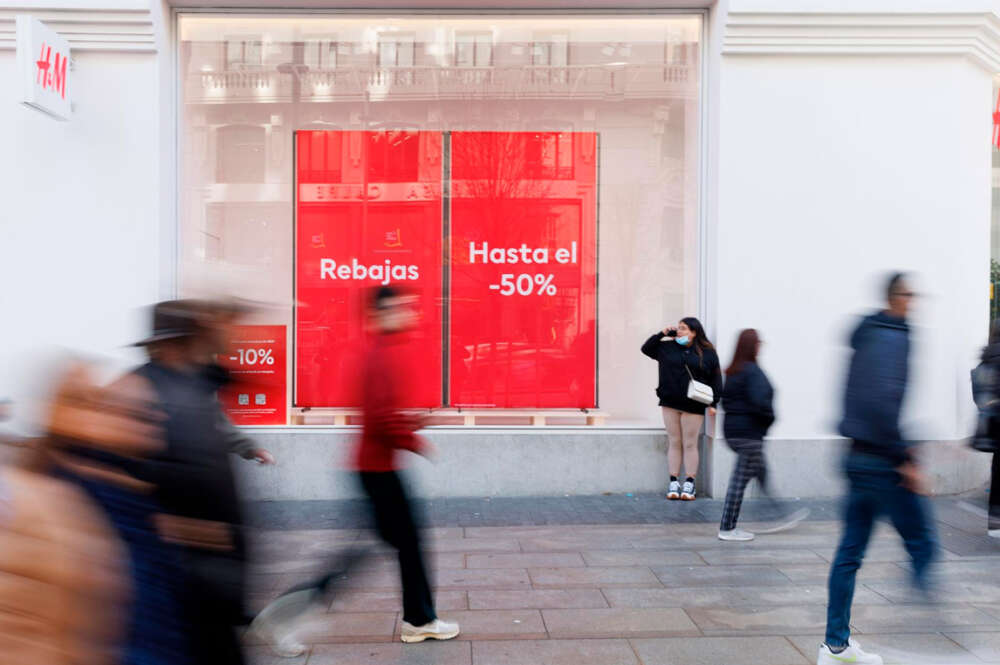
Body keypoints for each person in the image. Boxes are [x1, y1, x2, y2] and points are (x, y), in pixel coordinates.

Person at [252, 286, 458, 655]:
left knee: (393, 546)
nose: (409, 312)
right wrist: (416, 441)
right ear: (380, 314)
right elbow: (379, 418)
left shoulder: (387, 351)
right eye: (400, 307)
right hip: (376, 470)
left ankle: (419, 619)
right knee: (388, 549)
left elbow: (384, 414)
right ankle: (285, 615)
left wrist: (413, 424)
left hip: (375, 467)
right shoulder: (379, 356)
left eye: (409, 305)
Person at [127, 300, 272, 665]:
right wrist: (189, 532)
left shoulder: (188, 385)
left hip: (211, 569)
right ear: (175, 343)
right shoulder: (144, 392)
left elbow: (217, 426)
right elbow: (134, 477)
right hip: (186, 569)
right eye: (200, 337)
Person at [818, 273, 937, 665]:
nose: (914, 301)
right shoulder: (892, 337)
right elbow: (882, 400)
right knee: (923, 543)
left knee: (849, 552)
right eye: (910, 294)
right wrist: (906, 460)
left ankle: (835, 646)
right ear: (896, 298)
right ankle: (925, 614)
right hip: (881, 462)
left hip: (857, 456)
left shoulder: (867, 333)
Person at [718, 329, 809, 541]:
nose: (761, 346)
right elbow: (761, 402)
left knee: (762, 474)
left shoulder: (733, 371)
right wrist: (769, 420)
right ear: (753, 346)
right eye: (759, 343)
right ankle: (727, 528)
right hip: (749, 435)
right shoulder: (751, 371)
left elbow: (725, 401)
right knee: (739, 482)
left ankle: (779, 514)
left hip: (734, 432)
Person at [642, 316, 722, 501]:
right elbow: (646, 349)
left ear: (694, 332)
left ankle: (690, 483)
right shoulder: (666, 348)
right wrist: (662, 334)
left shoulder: (706, 352)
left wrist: (713, 402)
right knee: (674, 441)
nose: (679, 331)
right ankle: (673, 481)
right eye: (678, 328)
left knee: (690, 443)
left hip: (693, 403)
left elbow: (715, 379)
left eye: (684, 328)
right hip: (670, 401)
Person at [971, 321, 1000, 538]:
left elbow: (977, 396)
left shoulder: (985, 360)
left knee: (997, 470)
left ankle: (995, 521)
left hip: (992, 427)